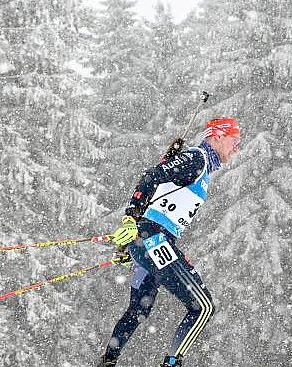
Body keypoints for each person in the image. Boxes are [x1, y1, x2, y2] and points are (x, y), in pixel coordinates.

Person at [97, 118, 242, 367]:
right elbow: (152, 176)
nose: (237, 147)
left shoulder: (202, 167)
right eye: (234, 140)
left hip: (148, 241)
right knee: (203, 308)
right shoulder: (198, 159)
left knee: (139, 310)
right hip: (153, 240)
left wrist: (131, 244)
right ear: (217, 136)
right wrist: (130, 219)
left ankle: (107, 361)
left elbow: (159, 189)